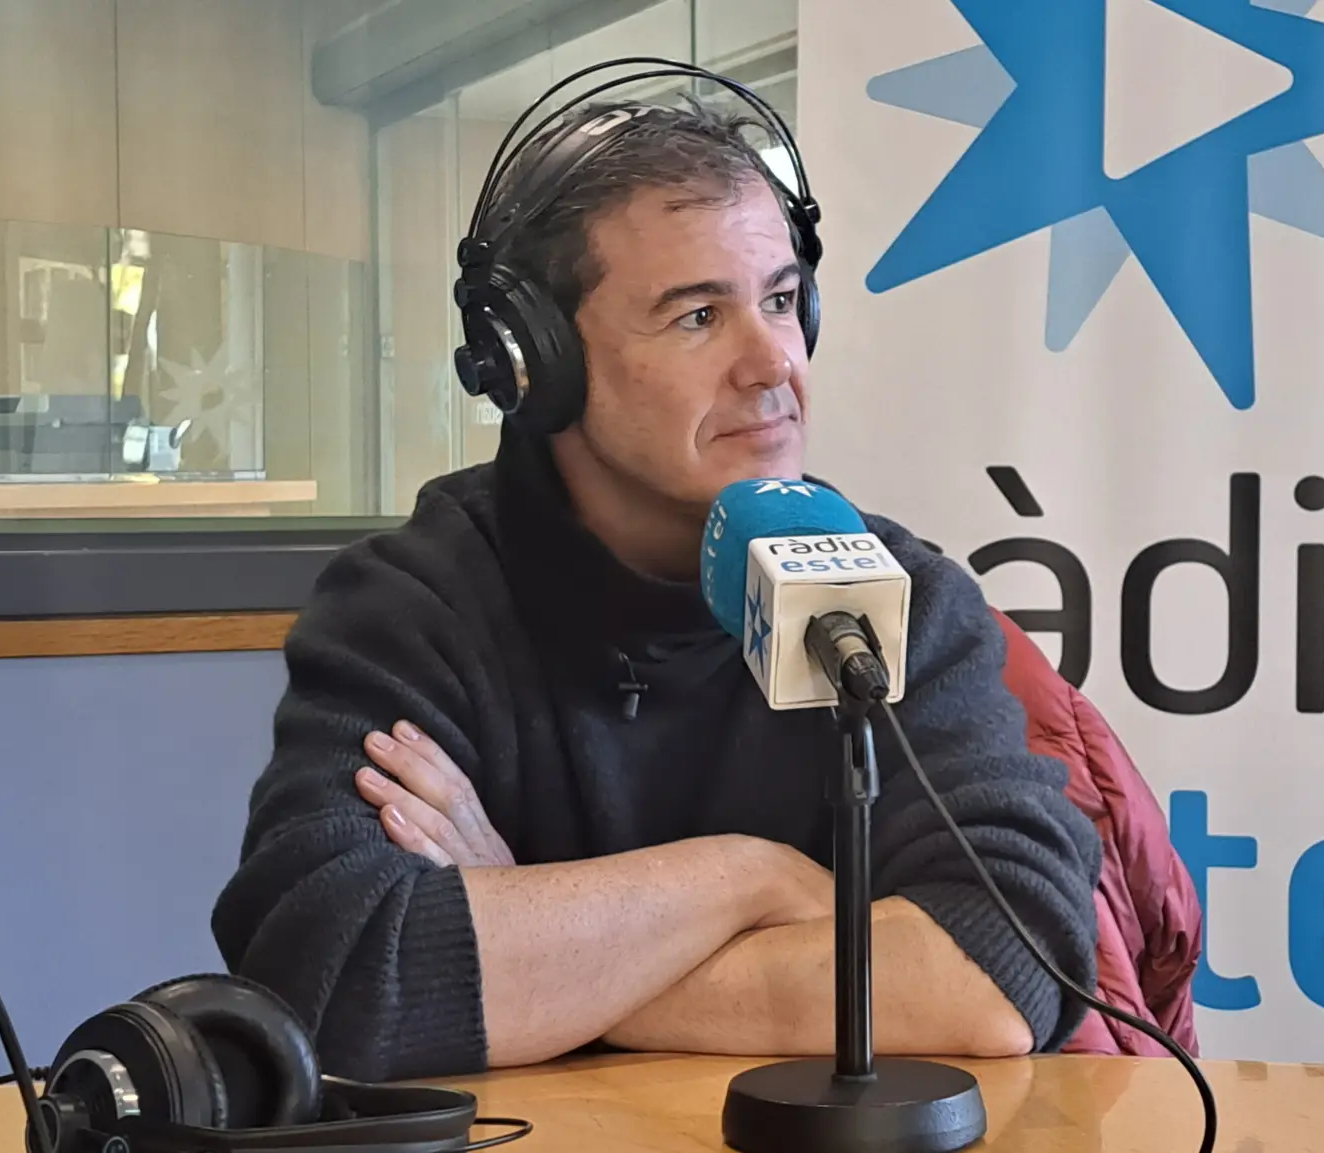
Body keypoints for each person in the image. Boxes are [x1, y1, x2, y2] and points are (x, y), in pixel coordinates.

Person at [210, 93, 1103, 1082]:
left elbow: (1005, 965)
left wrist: (540, 944)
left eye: (780, 300)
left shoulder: (894, 598)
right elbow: (329, 980)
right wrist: (752, 880)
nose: (773, 361)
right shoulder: (414, 606)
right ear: (534, 363)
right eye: (697, 316)